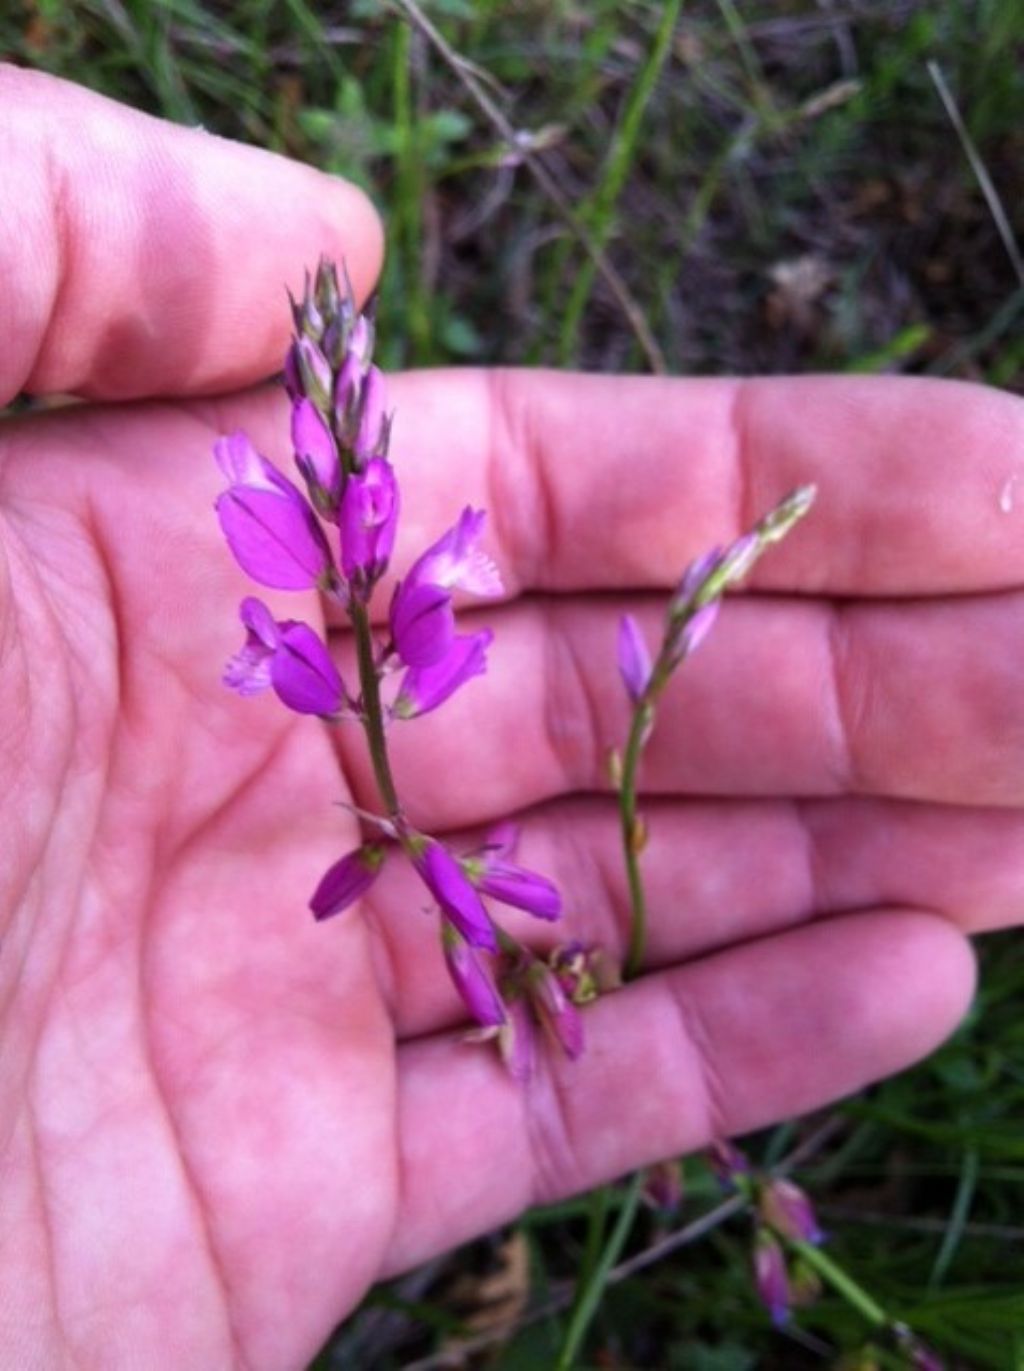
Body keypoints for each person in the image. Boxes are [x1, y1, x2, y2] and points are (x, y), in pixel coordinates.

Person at [1, 63, 1021, 1371]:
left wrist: (414, 627)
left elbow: (407, 609)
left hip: (385, 674)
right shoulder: (321, 608)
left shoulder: (385, 605)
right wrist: (314, 641)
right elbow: (317, 601)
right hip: (362, 679)